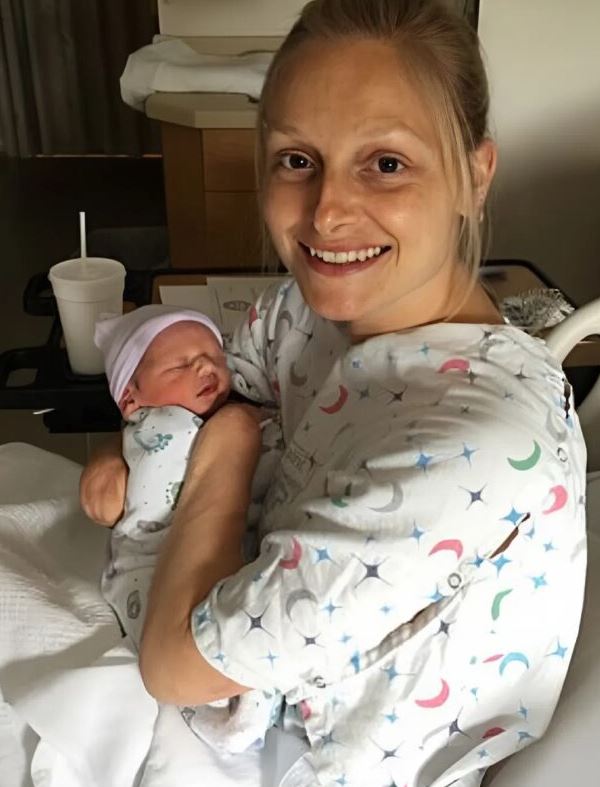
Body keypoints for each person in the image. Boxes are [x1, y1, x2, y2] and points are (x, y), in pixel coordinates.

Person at [81, 2, 587, 785]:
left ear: (475, 176)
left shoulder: (471, 450)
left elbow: (175, 665)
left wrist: (225, 448)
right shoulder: (310, 311)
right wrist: (136, 451)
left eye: (386, 163)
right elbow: (212, 393)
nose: (327, 213)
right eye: (296, 159)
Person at [92, 305, 281, 753]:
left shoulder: (228, 418)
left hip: (222, 549)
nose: (204, 367)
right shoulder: (153, 426)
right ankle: (219, 711)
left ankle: (248, 696)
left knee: (240, 617)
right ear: (131, 400)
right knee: (180, 639)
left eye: (214, 358)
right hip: (147, 561)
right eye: (180, 365)